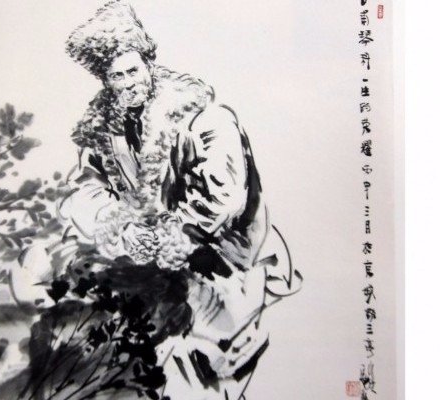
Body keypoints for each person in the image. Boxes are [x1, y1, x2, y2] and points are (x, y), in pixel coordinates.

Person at [53, 2, 303, 399]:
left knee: (214, 354)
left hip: (223, 248)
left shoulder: (203, 115)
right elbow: (84, 188)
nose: (128, 83)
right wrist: (120, 227)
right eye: (117, 76)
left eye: (133, 71)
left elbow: (225, 196)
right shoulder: (100, 130)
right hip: (150, 254)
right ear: (106, 81)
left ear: (148, 63)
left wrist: (173, 236)